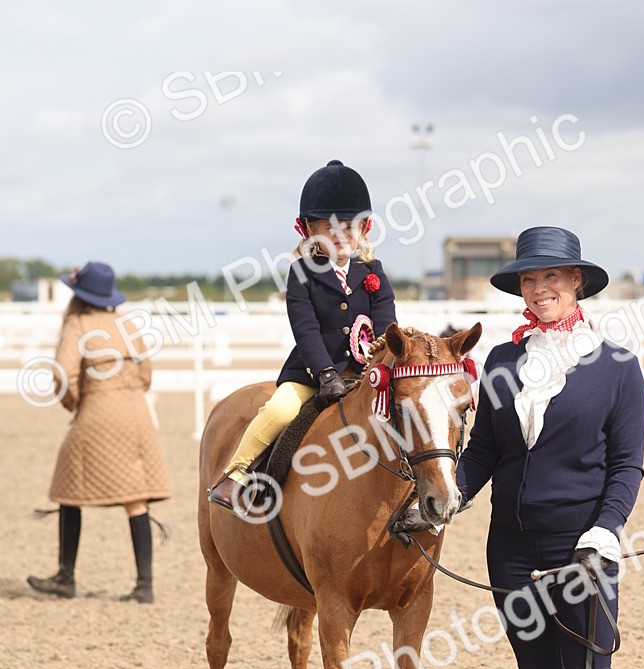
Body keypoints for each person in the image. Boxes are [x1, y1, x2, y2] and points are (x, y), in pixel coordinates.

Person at [455, 226, 644, 669]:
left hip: (580, 548)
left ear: (576, 284)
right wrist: (453, 494)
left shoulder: (616, 366)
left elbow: (626, 464)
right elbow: (484, 447)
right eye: (530, 281)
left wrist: (606, 529)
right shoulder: (502, 364)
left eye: (552, 279)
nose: (540, 290)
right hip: (509, 547)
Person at [208, 159, 397, 514]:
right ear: (310, 230)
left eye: (350, 226)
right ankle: (237, 475)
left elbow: (387, 323)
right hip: (314, 375)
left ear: (364, 228)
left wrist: (381, 360)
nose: (341, 234)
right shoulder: (302, 273)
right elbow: (306, 328)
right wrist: (325, 373)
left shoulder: (373, 272)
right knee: (280, 409)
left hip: (365, 374)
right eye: (330, 226)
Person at [27, 262, 170, 604]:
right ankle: (144, 584)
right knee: (135, 497)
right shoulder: (127, 322)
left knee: (68, 489)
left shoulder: (77, 323)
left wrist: (74, 403)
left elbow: (62, 373)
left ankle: (65, 576)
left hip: (98, 410)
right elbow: (147, 370)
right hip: (136, 413)